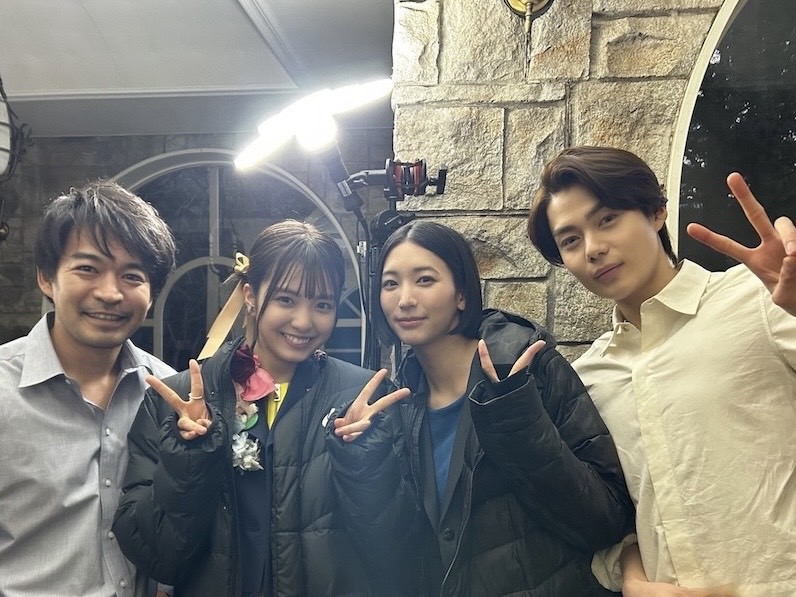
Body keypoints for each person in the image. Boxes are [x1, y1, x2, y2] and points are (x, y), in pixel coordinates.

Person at [528, 145, 796, 596]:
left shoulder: (759, 301)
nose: (593, 249)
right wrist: (631, 577)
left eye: (607, 219)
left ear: (656, 212)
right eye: (570, 240)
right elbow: (615, 511)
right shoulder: (588, 378)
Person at [330, 220, 634, 596]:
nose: (405, 299)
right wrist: (362, 459)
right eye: (390, 284)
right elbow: (396, 554)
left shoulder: (526, 369)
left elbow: (607, 521)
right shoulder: (400, 405)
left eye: (424, 280)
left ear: (461, 294)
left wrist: (519, 426)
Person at [113, 220, 412, 597]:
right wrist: (187, 456)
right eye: (286, 300)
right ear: (250, 295)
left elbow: (397, 548)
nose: (304, 321)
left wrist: (364, 458)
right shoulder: (175, 402)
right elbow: (155, 556)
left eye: (322, 305)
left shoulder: (362, 402)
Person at [0, 181, 177, 597]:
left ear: (151, 294)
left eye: (132, 276)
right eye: (87, 269)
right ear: (47, 277)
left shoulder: (167, 393)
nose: (110, 293)